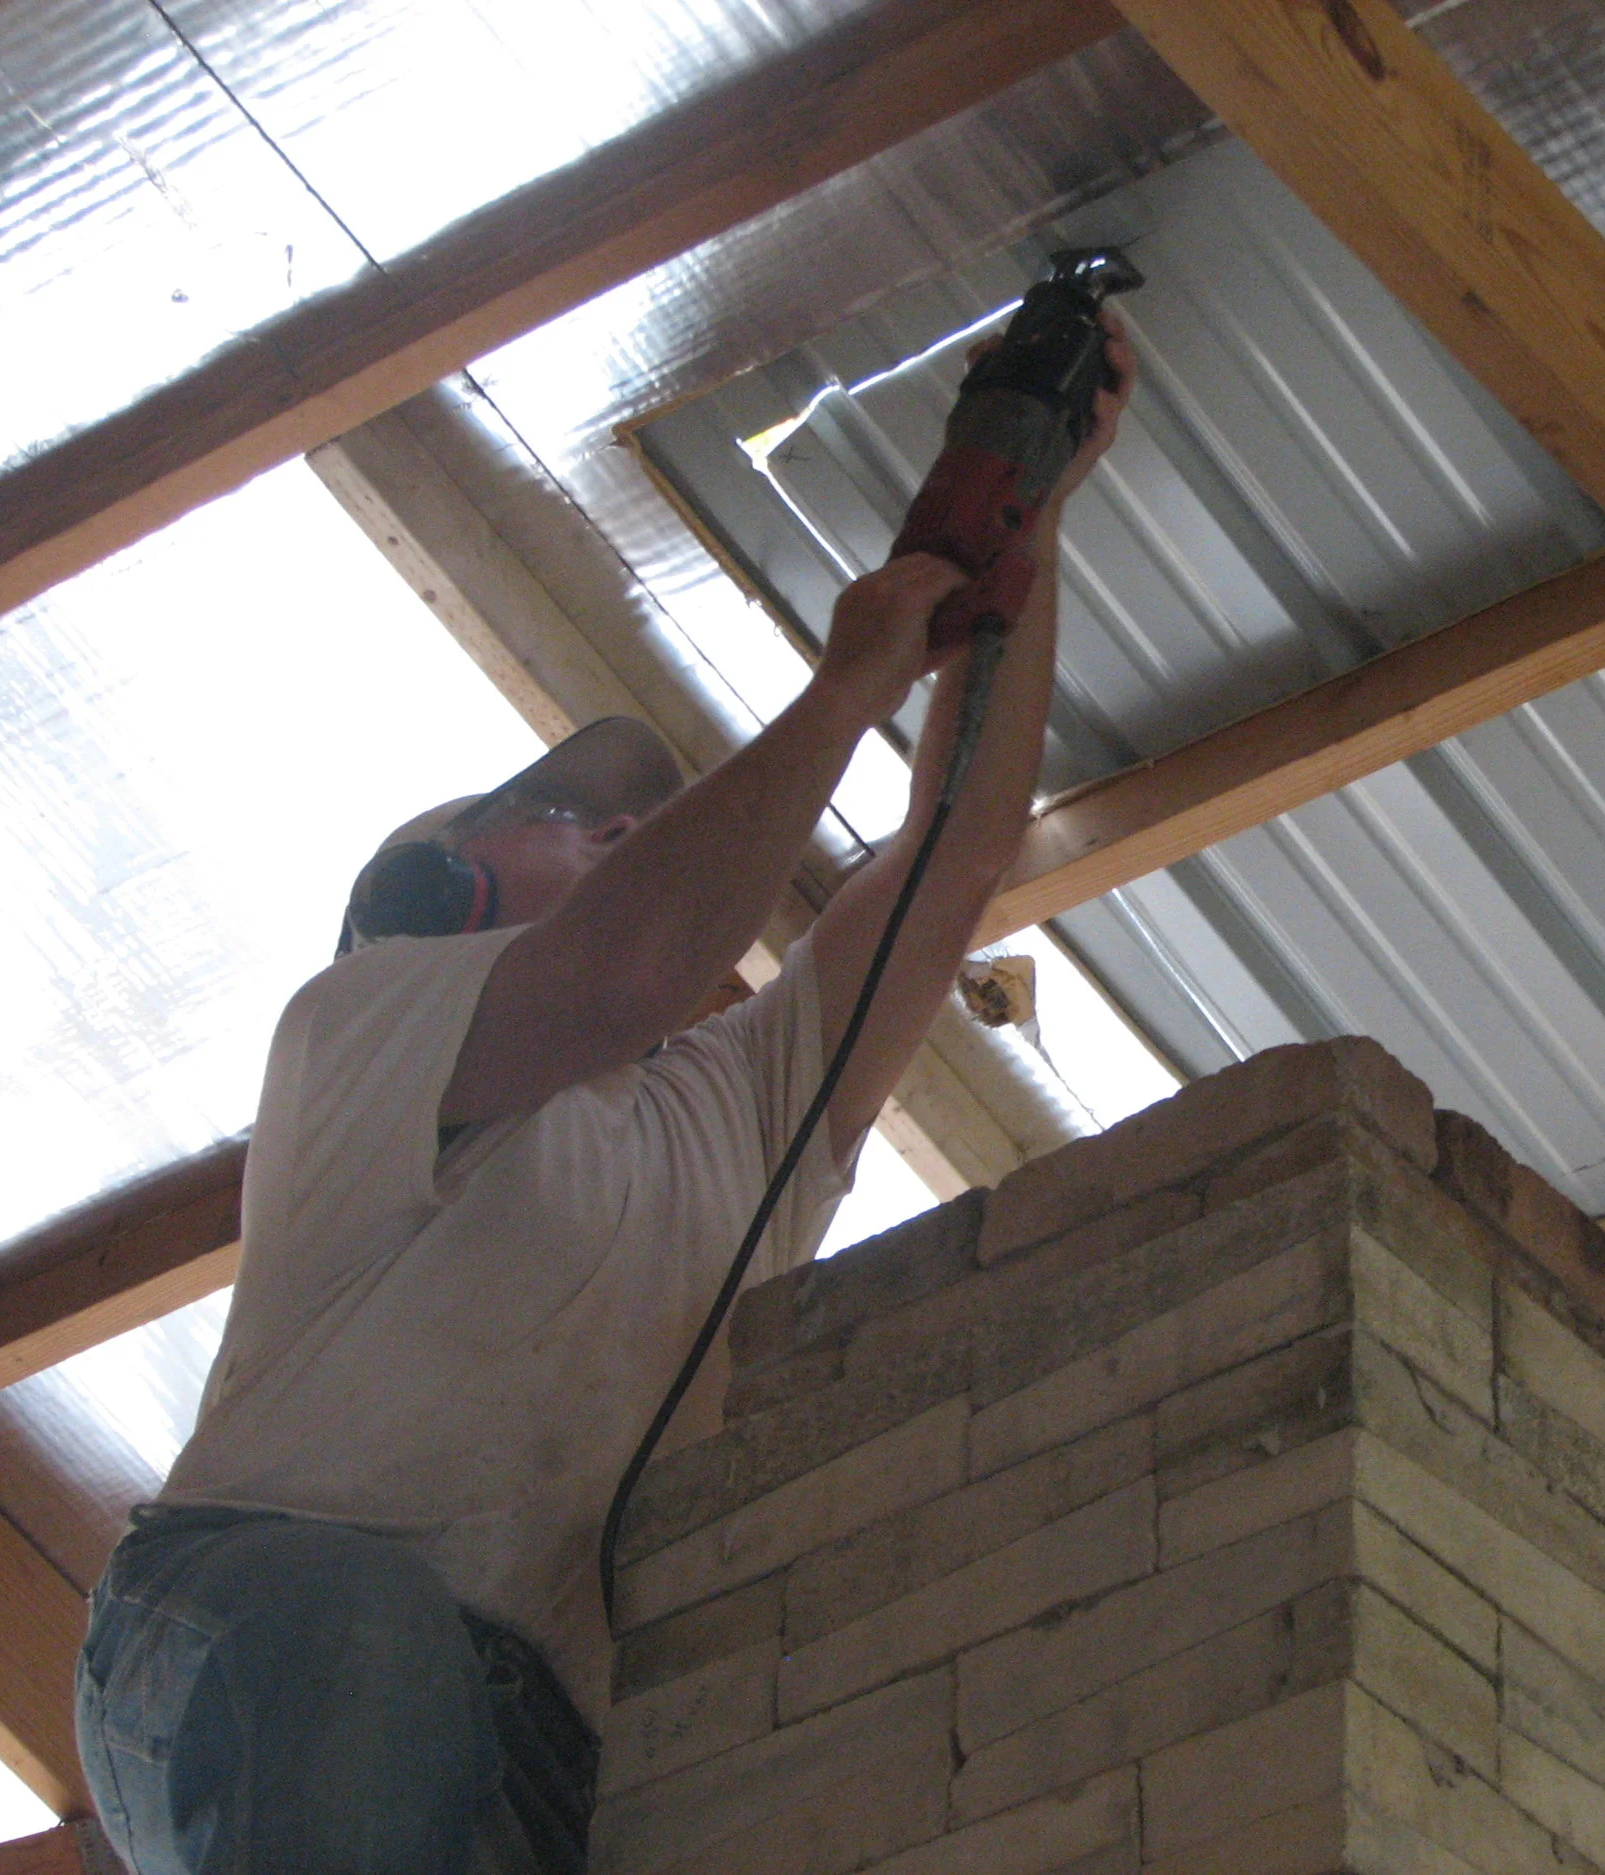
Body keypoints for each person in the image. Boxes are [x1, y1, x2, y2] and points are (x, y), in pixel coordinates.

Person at [70, 325, 1131, 1874]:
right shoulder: (366, 1022)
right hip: (259, 1625)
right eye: (575, 813)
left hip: (537, 1752)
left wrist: (1025, 532)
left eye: (640, 810)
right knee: (367, 1652)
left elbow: (954, 853)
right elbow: (622, 976)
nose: (633, 823)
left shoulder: (739, 1109)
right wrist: (844, 688)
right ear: (436, 882)